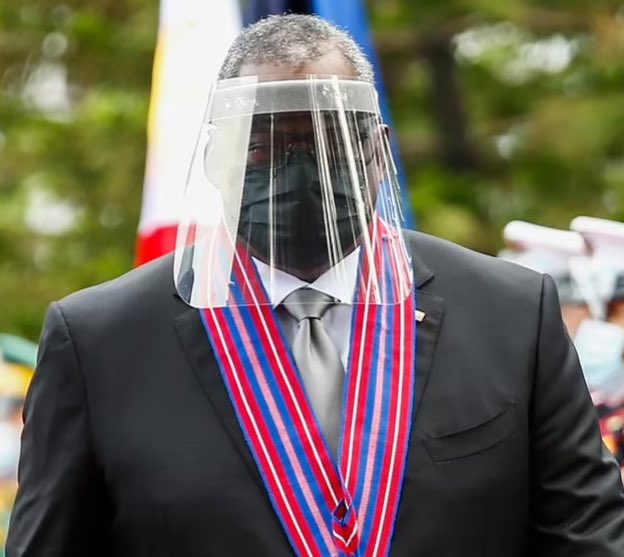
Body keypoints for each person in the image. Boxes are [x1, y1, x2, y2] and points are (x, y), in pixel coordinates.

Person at [6, 14, 624, 557]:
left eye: (329, 145)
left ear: (378, 151)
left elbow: (587, 535)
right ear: (216, 159)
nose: (301, 173)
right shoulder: (100, 342)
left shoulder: (511, 314)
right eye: (265, 147)